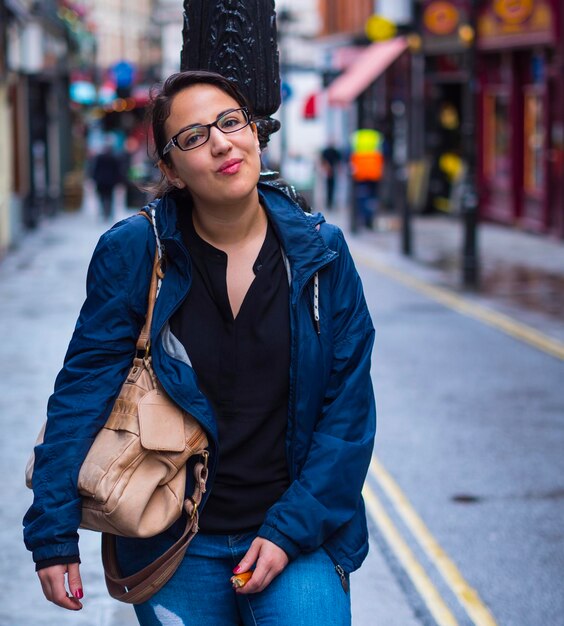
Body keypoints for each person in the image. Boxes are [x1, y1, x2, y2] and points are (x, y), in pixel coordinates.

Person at [23, 70, 376, 625]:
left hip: (298, 534)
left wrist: (289, 531)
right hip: (173, 542)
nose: (220, 142)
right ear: (170, 169)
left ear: (255, 132)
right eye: (192, 136)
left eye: (231, 122)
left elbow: (348, 414)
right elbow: (82, 390)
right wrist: (52, 531)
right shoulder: (135, 251)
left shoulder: (321, 255)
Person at [91, 138, 124, 219]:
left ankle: (104, 212)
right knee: (109, 197)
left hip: (101, 181)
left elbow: (95, 169)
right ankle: (108, 212)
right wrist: (119, 180)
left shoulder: (99, 157)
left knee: (102, 197)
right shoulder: (114, 157)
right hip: (110, 181)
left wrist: (94, 178)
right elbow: (117, 170)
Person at [320, 142, 342, 210]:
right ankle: (329, 203)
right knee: (329, 187)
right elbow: (322, 160)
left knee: (332, 187)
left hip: (332, 170)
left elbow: (338, 161)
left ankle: (330, 202)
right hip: (328, 171)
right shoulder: (327, 151)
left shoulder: (333, 151)